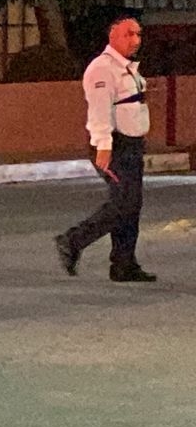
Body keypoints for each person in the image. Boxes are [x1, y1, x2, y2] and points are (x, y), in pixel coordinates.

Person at [52, 14, 157, 283]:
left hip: (131, 144)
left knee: (131, 205)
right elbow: (99, 111)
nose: (135, 40)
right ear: (112, 37)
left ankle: (124, 264)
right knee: (124, 203)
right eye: (128, 34)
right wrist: (104, 146)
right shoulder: (102, 68)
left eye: (138, 34)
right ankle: (73, 240)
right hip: (115, 144)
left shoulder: (127, 68)